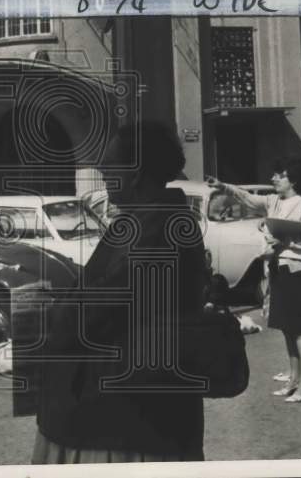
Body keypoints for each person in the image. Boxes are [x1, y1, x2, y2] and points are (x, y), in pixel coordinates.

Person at [31, 122, 207, 463]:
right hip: (126, 417)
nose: (102, 172)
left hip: (119, 426)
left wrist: (45, 318)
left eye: (108, 166)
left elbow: (98, 314)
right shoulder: (150, 221)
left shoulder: (153, 230)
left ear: (135, 172)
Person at [212, 158, 301, 403]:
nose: (274, 178)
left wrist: (287, 241)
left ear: (293, 180)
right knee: (287, 326)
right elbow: (247, 198)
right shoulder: (274, 201)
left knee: (300, 328)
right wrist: (223, 186)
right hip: (278, 268)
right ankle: (295, 378)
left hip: (299, 271)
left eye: (280, 175)